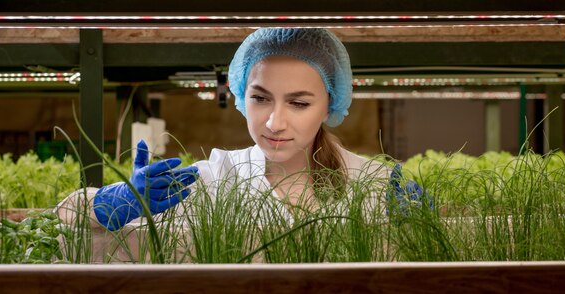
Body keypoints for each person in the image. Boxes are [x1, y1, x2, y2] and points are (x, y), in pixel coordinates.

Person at [55, 28, 424, 260]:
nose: (273, 122)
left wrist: (422, 230)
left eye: (298, 103)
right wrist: (120, 201)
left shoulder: (373, 182)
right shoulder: (213, 179)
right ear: (240, 95)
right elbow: (65, 216)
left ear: (331, 103)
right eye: (260, 98)